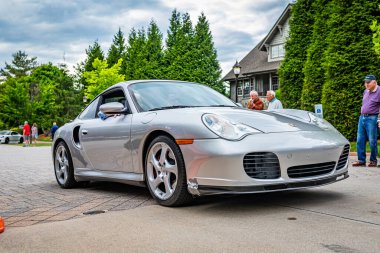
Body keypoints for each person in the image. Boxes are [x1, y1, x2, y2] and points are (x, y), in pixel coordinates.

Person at [353, 74, 380, 167]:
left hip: (372, 118)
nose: (366, 84)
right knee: (360, 140)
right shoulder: (366, 91)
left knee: (372, 141)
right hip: (362, 117)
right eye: (365, 82)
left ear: (374, 82)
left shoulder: (379, 91)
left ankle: (373, 161)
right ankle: (361, 160)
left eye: (368, 82)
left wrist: (379, 120)